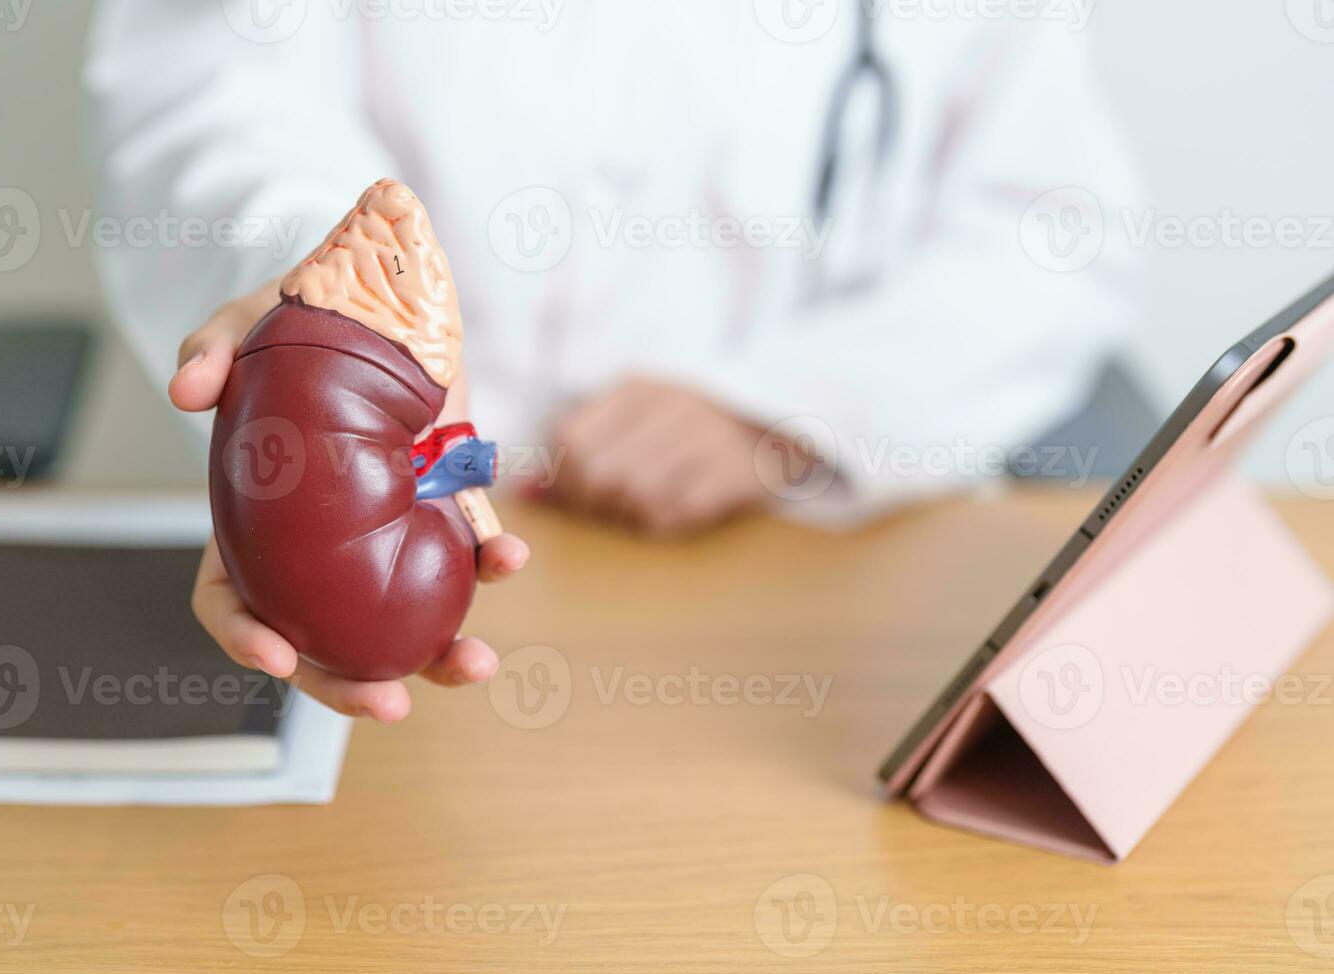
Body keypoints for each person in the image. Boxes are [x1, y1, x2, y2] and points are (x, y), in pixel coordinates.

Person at [84, 0, 1143, 719]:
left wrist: (782, 411)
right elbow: (211, 99)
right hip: (437, 467)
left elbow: (1046, 223)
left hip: (802, 587)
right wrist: (341, 310)